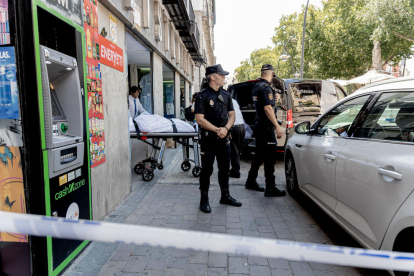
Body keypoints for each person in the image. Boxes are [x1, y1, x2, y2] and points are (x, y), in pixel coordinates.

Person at [195, 64, 242, 213]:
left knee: (224, 169)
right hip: (208, 140)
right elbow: (199, 119)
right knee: (207, 170)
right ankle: (204, 200)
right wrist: (217, 130)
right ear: (213, 77)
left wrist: (226, 129)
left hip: (224, 139)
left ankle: (225, 196)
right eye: (221, 75)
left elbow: (232, 115)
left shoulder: (227, 95)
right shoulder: (201, 96)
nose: (224, 77)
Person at [245, 64, 286, 197]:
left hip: (259, 124)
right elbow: (268, 109)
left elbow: (265, 104)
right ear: (272, 74)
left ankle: (250, 181)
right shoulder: (266, 88)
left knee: (259, 155)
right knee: (270, 157)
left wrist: (274, 99)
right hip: (266, 126)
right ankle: (270, 187)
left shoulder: (257, 86)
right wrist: (277, 127)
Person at [228, 99, 246, 178]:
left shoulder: (224, 100)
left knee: (233, 150)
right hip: (241, 126)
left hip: (234, 127)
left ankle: (236, 171)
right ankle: (235, 169)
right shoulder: (234, 100)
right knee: (237, 150)